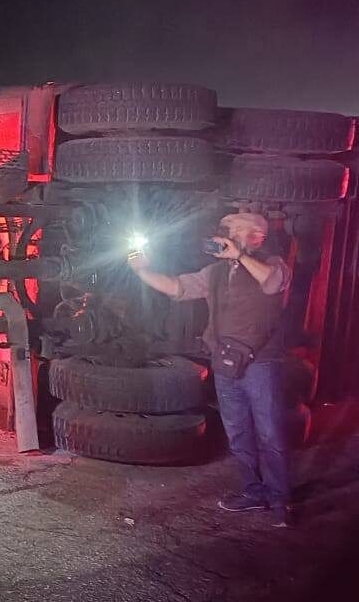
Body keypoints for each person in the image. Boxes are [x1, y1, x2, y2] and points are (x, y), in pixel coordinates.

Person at [128, 212, 294, 527]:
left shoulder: (275, 265)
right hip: (225, 361)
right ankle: (253, 491)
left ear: (256, 236)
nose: (223, 234)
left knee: (270, 432)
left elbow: (272, 285)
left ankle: (280, 499)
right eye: (223, 230)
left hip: (261, 363)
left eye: (231, 230)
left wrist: (240, 255)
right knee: (238, 431)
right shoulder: (215, 271)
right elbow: (178, 287)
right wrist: (142, 270)